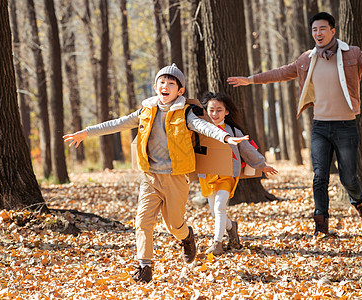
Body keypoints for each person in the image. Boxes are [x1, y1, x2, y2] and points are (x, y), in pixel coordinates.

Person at [64, 64, 249, 283]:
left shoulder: (185, 112)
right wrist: (86, 132)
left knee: (174, 225)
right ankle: (144, 266)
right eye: (162, 82)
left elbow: (203, 126)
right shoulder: (146, 110)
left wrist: (226, 138)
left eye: (171, 83)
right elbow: (118, 123)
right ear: (155, 86)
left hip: (175, 177)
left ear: (180, 91)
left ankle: (187, 237)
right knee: (142, 222)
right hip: (150, 177)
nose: (165, 86)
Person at [227, 12, 362, 236]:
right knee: (320, 176)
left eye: (322, 29)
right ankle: (321, 225)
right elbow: (281, 72)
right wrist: (250, 79)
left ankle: (360, 205)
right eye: (314, 30)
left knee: (349, 178)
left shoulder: (352, 54)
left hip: (346, 126)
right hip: (320, 127)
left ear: (333, 31)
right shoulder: (306, 59)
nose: (318, 33)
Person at [198, 92, 278, 255]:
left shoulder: (233, 131)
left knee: (220, 206)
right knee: (215, 213)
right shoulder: (200, 129)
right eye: (211, 110)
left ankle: (217, 243)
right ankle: (231, 227)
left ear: (226, 112)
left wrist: (262, 165)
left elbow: (247, 149)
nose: (214, 113)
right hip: (207, 175)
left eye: (219, 110)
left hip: (227, 175)